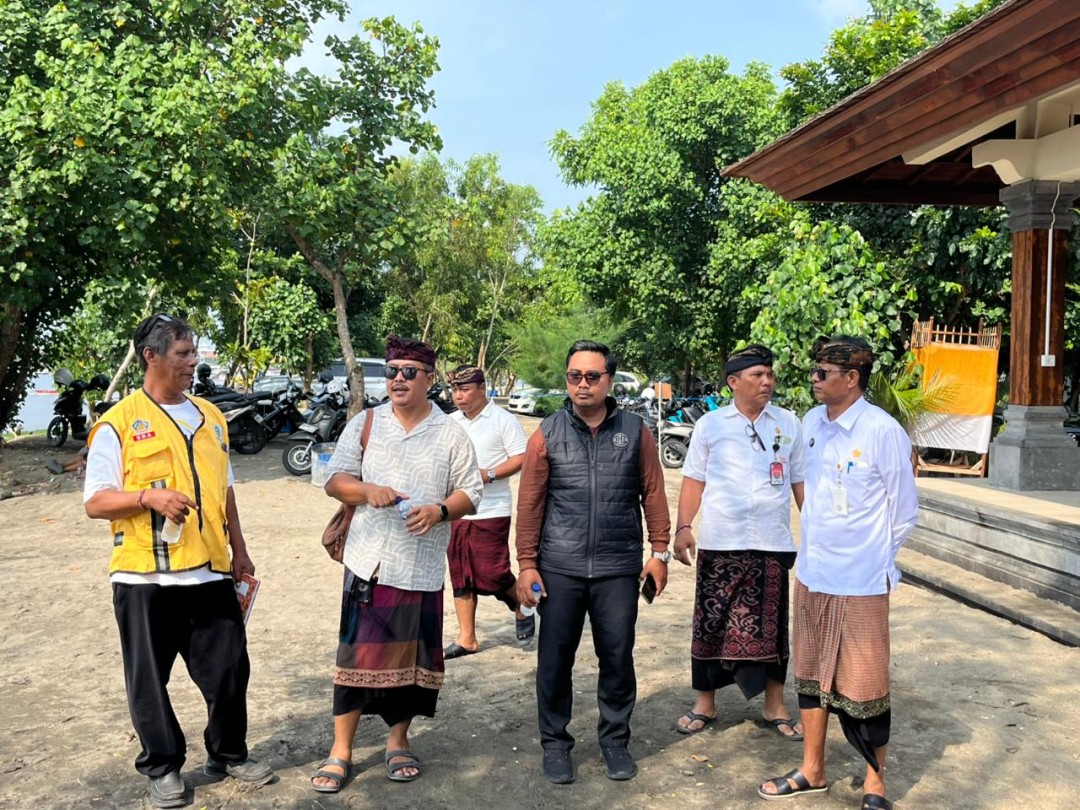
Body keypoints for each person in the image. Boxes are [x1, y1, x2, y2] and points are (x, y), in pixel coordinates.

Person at [83, 314, 273, 809]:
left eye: (194, 353)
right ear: (152, 356)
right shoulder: (117, 423)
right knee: (149, 680)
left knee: (231, 669)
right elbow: (96, 501)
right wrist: (148, 497)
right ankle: (163, 767)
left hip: (208, 569)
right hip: (144, 575)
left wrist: (241, 550)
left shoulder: (211, 416)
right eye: (185, 354)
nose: (194, 362)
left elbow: (225, 490)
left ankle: (228, 752)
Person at [310, 336, 483, 794]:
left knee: (411, 664)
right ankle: (340, 751)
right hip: (369, 563)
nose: (398, 379)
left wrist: (441, 511)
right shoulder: (366, 423)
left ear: (429, 378)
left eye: (409, 371)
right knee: (354, 658)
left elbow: (471, 491)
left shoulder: (451, 433)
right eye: (392, 371)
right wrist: (367, 491)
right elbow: (335, 480)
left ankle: (397, 739)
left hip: (421, 567)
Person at [758, 336, 918, 810]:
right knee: (810, 676)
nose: (814, 379)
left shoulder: (881, 431)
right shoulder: (811, 423)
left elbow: (903, 510)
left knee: (866, 684)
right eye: (814, 370)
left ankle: (875, 783)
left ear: (852, 378)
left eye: (823, 372)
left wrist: (875, 559)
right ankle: (813, 769)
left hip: (863, 582)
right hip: (813, 574)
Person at [515, 340, 671, 785]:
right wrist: (528, 564)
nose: (582, 384)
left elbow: (654, 494)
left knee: (618, 657)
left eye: (592, 376)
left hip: (618, 568)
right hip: (559, 568)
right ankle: (555, 745)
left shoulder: (636, 431)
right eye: (574, 376)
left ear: (609, 381)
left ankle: (615, 741)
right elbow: (530, 505)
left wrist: (658, 554)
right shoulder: (547, 433)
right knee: (554, 659)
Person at [672, 344, 806, 740]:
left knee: (773, 627)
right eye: (757, 375)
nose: (767, 381)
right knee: (711, 622)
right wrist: (683, 527)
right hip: (721, 540)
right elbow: (694, 478)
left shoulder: (788, 423)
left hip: (772, 541)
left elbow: (799, 480)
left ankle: (775, 705)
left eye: (769, 374)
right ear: (733, 382)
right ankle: (705, 704)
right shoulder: (711, 425)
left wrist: (814, 530)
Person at [443, 364, 530, 658]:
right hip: (455, 509)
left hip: (491, 508)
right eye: (455, 390)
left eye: (465, 389)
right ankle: (467, 638)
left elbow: (521, 457)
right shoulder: (450, 422)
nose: (459, 396)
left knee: (493, 573)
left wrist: (488, 474)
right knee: (460, 575)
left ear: (482, 389)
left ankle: (521, 603)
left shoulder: (502, 420)